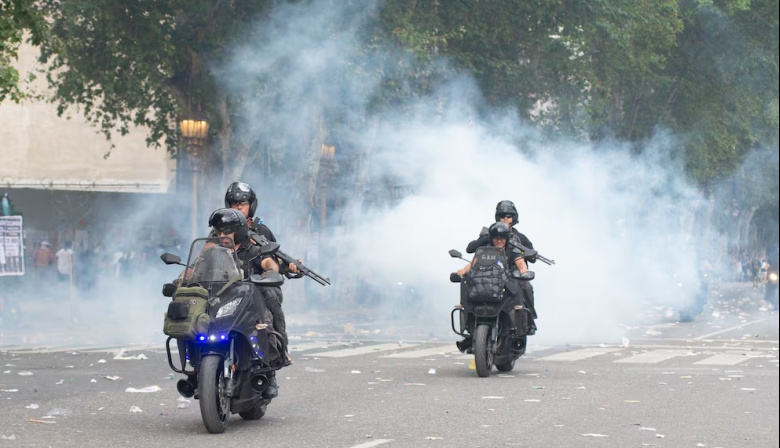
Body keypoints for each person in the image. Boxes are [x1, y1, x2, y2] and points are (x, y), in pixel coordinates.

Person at [207, 208, 283, 398]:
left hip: (247, 303)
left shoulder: (253, 250)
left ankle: (269, 372)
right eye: (219, 231)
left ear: (239, 230)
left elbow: (268, 262)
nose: (222, 236)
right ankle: (196, 367)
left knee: (264, 323)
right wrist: (182, 278)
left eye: (227, 231)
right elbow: (194, 269)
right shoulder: (213, 252)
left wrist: (270, 272)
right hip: (219, 302)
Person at [222, 181, 299, 356]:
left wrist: (288, 268)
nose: (239, 207)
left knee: (270, 298)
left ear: (251, 205)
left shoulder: (262, 231)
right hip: (226, 285)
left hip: (257, 285)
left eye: (243, 203)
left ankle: (279, 349)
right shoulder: (221, 230)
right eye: (235, 203)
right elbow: (206, 255)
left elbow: (274, 261)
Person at [466, 200, 538, 334]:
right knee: (469, 283)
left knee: (526, 286)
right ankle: (469, 323)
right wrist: (486, 238)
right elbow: (471, 252)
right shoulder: (490, 236)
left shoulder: (520, 238)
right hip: (489, 274)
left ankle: (527, 321)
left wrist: (524, 264)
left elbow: (528, 259)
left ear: (514, 218)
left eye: (508, 216)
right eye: (502, 216)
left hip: (511, 273)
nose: (505, 219)